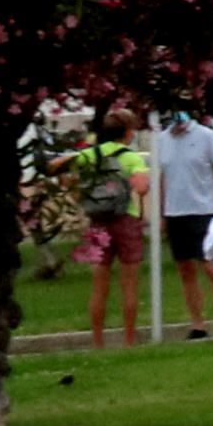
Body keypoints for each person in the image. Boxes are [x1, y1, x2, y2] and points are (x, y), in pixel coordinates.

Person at [150, 108, 213, 333]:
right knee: (185, 269)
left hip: (203, 211)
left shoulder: (206, 136)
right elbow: (161, 179)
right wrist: (161, 214)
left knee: (211, 267)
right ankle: (197, 324)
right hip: (175, 213)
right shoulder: (161, 140)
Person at [73, 106, 147, 344]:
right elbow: (141, 187)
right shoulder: (130, 157)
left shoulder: (89, 155)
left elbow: (69, 177)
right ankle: (128, 339)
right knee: (128, 284)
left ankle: (97, 341)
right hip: (125, 218)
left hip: (97, 220)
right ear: (126, 132)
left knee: (98, 284)